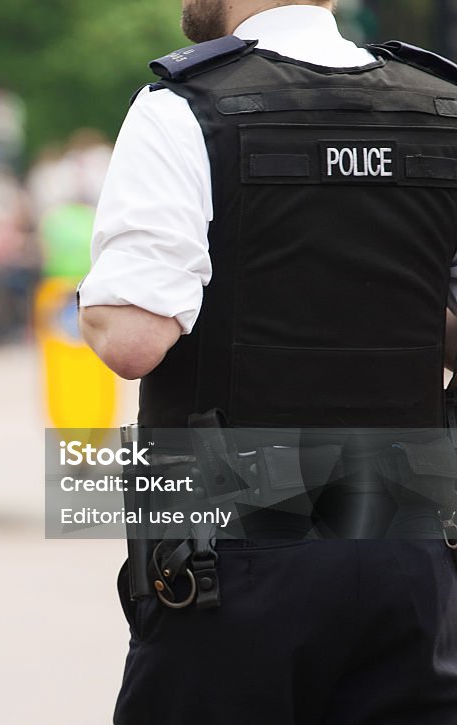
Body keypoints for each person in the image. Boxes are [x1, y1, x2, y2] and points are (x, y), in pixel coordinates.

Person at [79, 1, 457, 723]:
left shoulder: (185, 108)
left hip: (234, 561)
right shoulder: (442, 106)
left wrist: (94, 303)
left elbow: (132, 341)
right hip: (412, 560)